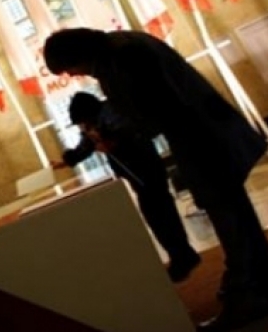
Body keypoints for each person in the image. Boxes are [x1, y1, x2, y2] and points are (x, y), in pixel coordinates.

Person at [43, 28, 268, 332]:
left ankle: (245, 293)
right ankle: (265, 280)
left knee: (227, 215)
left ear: (78, 54)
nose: (75, 75)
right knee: (237, 209)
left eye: (70, 67)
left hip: (199, 137)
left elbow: (159, 106)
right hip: (205, 130)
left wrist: (124, 129)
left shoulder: (122, 55)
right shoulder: (124, 45)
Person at [52, 91, 200, 282]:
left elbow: (129, 135)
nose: (82, 126)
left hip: (145, 168)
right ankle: (182, 255)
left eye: (81, 121)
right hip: (135, 173)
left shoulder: (112, 113)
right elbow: (86, 145)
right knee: (158, 215)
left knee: (161, 214)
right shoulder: (94, 122)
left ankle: (183, 257)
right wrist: (68, 160)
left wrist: (109, 142)